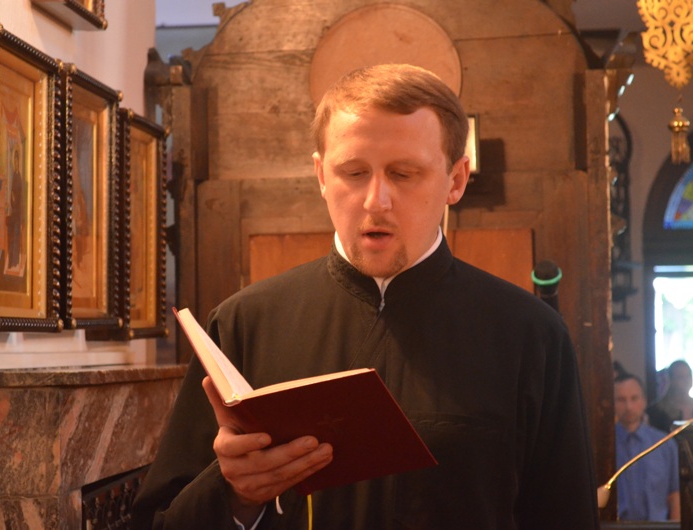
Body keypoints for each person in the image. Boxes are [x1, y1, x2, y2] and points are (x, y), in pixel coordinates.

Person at [130, 63, 600, 529]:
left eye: (404, 173)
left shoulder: (530, 335)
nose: (376, 200)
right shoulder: (244, 323)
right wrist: (234, 495)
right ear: (321, 175)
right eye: (354, 172)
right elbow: (159, 521)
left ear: (456, 179)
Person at [614, 373, 680, 521]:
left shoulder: (664, 444)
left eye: (634, 398)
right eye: (621, 400)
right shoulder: (605, 447)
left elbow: (674, 495)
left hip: (658, 526)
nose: (628, 406)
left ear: (644, 401)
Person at [648, 359, 693, 432]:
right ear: (671, 380)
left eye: (688, 376)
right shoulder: (657, 411)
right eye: (680, 377)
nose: (686, 380)